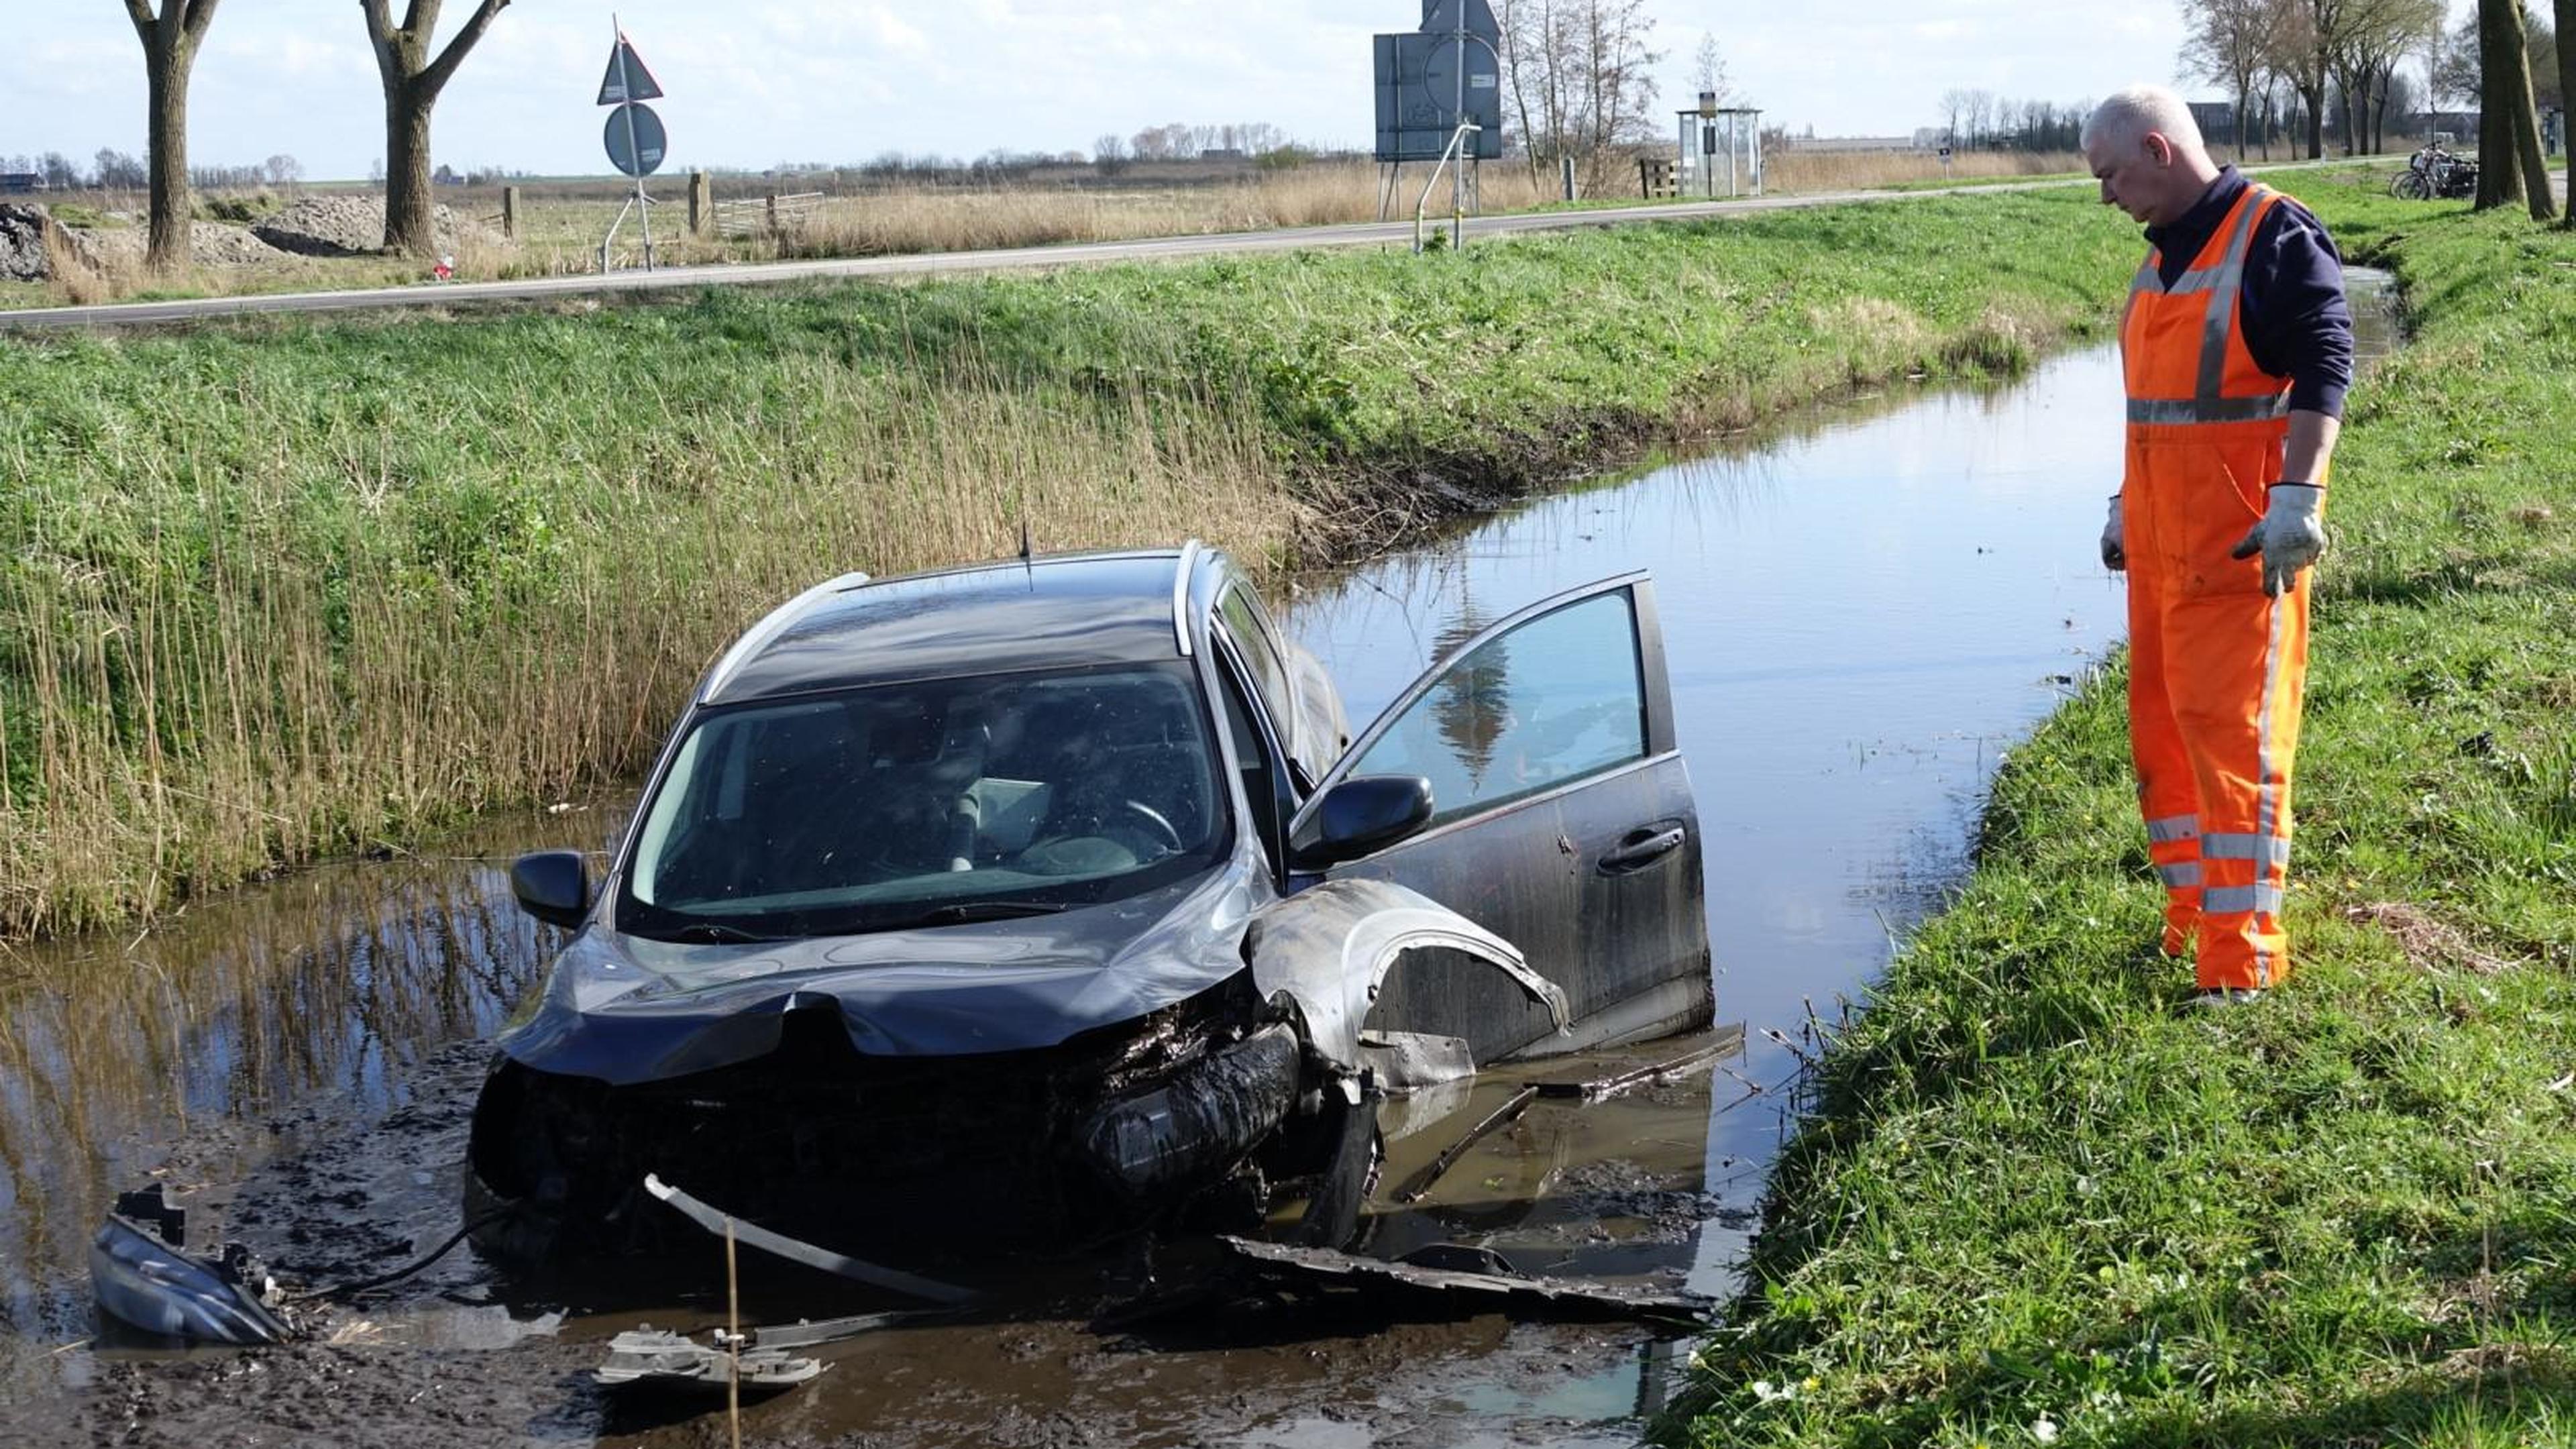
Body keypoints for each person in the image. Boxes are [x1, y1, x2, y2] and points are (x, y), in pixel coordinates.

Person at [2081, 85, 2354, 1008]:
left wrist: (2300, 495)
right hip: (2160, 561)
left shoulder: (2272, 235)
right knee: (2166, 744)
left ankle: (2244, 969)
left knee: (2235, 750)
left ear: (2159, 151)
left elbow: (2326, 359)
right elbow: (2153, 415)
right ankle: (2192, 925)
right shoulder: (2158, 266)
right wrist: (2125, 504)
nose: (2106, 198)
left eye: (2112, 176)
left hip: (2239, 555)